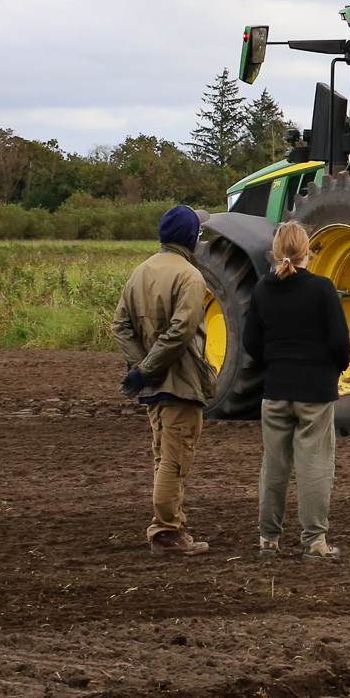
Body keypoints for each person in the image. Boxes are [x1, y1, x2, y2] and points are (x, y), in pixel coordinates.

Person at [242, 220, 350, 561]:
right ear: (307, 251)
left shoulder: (262, 290)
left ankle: (268, 539)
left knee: (274, 467)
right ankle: (315, 541)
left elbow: (251, 342)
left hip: (276, 390)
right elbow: (339, 341)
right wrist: (336, 368)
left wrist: (274, 364)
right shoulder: (322, 288)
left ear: (276, 252)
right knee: (315, 466)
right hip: (315, 391)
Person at [113, 205, 215, 555]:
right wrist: (147, 369)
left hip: (153, 389)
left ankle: (172, 528)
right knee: (174, 461)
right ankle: (167, 533)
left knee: (163, 457)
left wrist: (139, 367)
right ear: (190, 238)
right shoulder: (190, 276)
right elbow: (181, 331)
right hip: (180, 384)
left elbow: (120, 325)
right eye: (198, 234)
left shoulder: (139, 272)